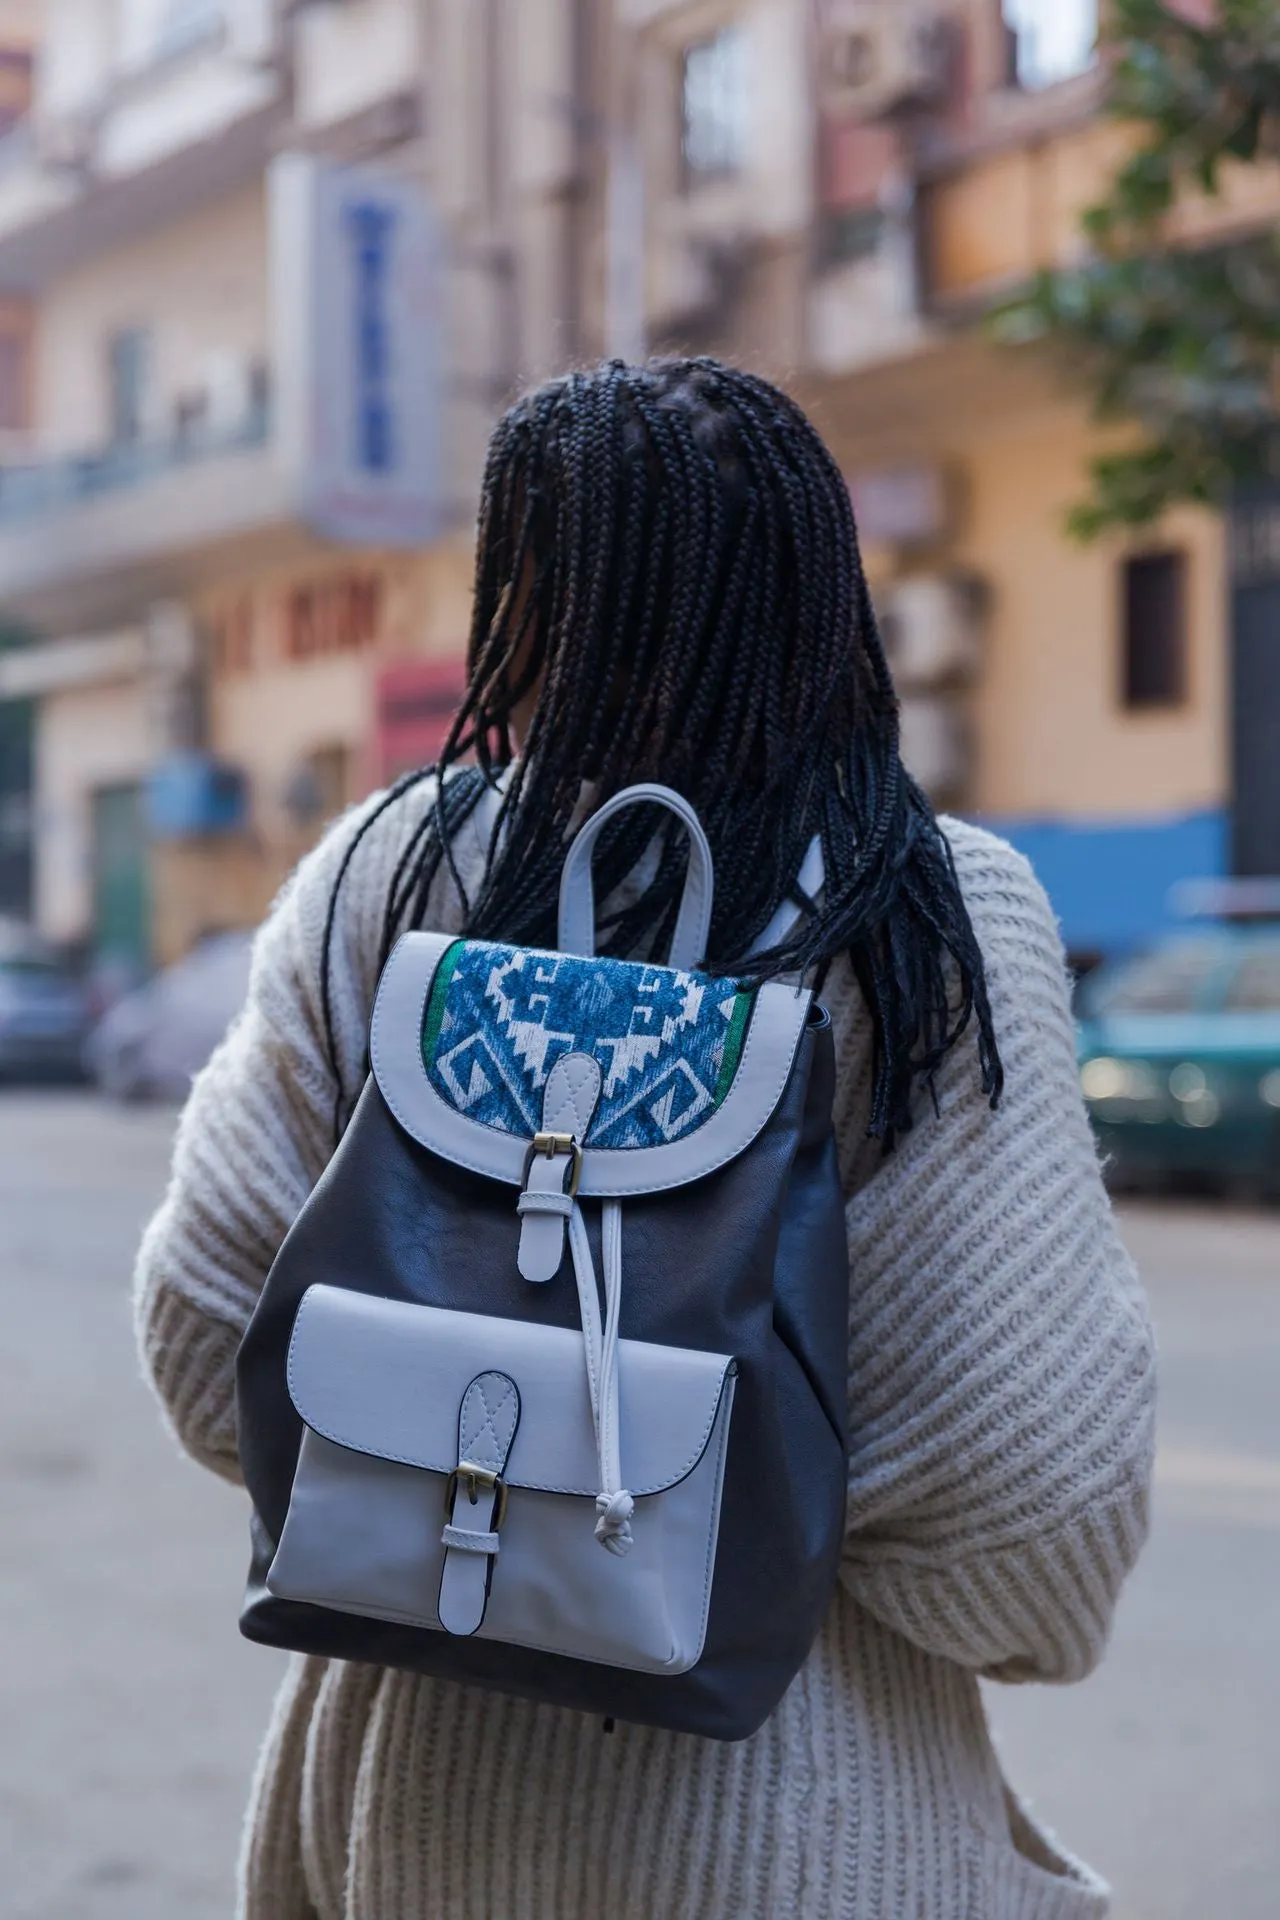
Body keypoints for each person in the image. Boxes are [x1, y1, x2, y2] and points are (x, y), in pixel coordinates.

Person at [135, 358, 1155, 1920]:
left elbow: (218, 1350)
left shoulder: (391, 875)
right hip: (796, 1825)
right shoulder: (917, 907)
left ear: (518, 596)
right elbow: (1032, 1515)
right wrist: (681, 1515)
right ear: (819, 597)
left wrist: (469, 1483)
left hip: (405, 1817)